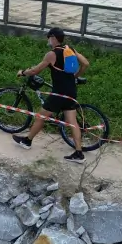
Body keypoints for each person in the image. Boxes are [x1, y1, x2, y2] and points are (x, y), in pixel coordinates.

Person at [12, 27, 90, 164]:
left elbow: (36, 70)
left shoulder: (52, 54)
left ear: (53, 38)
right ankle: (79, 153)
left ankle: (27, 141)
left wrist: (23, 72)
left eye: (49, 37)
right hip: (71, 91)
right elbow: (85, 63)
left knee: (40, 116)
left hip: (59, 93)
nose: (48, 40)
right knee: (73, 122)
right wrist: (75, 76)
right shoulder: (69, 49)